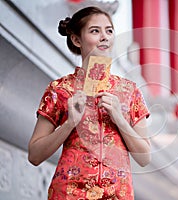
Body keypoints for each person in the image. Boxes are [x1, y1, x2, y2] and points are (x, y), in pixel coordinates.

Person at [28, 6, 151, 200]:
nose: (104, 37)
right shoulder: (60, 89)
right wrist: (69, 123)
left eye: (109, 31)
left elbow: (144, 158)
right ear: (77, 40)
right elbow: (34, 155)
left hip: (117, 194)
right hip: (69, 193)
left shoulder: (129, 91)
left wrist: (119, 118)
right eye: (95, 31)